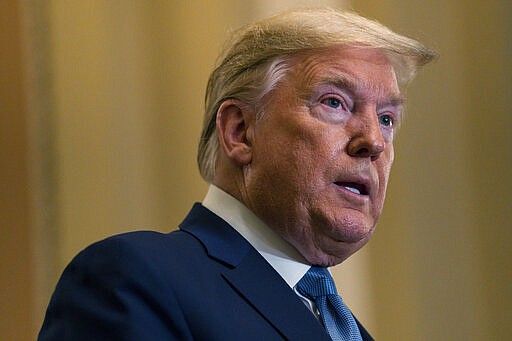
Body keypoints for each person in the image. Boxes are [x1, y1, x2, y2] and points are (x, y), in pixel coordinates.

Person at [39, 8, 435, 341]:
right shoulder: (134, 277)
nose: (373, 141)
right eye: (335, 103)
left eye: (386, 119)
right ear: (240, 132)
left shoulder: (345, 329)